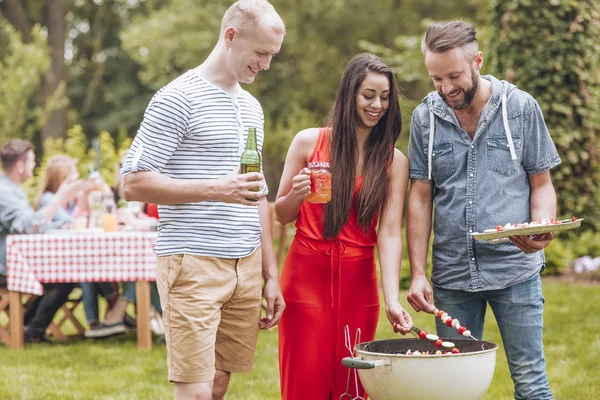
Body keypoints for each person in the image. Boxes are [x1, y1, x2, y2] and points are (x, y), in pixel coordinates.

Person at [119, 1, 286, 399]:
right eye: (260, 53)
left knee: (218, 383)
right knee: (194, 390)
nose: (265, 65)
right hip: (192, 261)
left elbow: (256, 191)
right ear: (230, 36)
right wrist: (215, 188)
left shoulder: (252, 107)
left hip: (243, 263)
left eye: (272, 56)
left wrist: (270, 273)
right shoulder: (177, 98)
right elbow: (132, 183)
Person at [406, 21, 560, 400]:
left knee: (531, 384)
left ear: (477, 60)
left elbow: (541, 185)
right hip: (453, 276)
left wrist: (541, 226)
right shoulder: (425, 118)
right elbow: (420, 198)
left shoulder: (521, 108)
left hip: (514, 271)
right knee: (452, 389)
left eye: (454, 76)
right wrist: (417, 273)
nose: (445, 88)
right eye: (436, 79)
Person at [275, 53, 414, 400]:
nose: (377, 105)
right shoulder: (308, 142)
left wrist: (392, 299)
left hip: (359, 280)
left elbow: (390, 231)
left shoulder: (393, 161)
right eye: (368, 95)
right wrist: (296, 194)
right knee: (305, 378)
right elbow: (281, 213)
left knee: (353, 379)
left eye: (385, 97)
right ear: (349, 93)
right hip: (306, 275)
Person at [0, 140, 81, 342]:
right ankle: (32, 331)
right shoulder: (4, 192)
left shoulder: (14, 191)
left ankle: (26, 326)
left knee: (63, 276)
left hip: (16, 263)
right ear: (20, 165)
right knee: (63, 279)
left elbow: (35, 226)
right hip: (5, 267)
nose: (34, 166)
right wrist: (59, 198)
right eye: (32, 162)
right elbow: (27, 227)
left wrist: (61, 227)